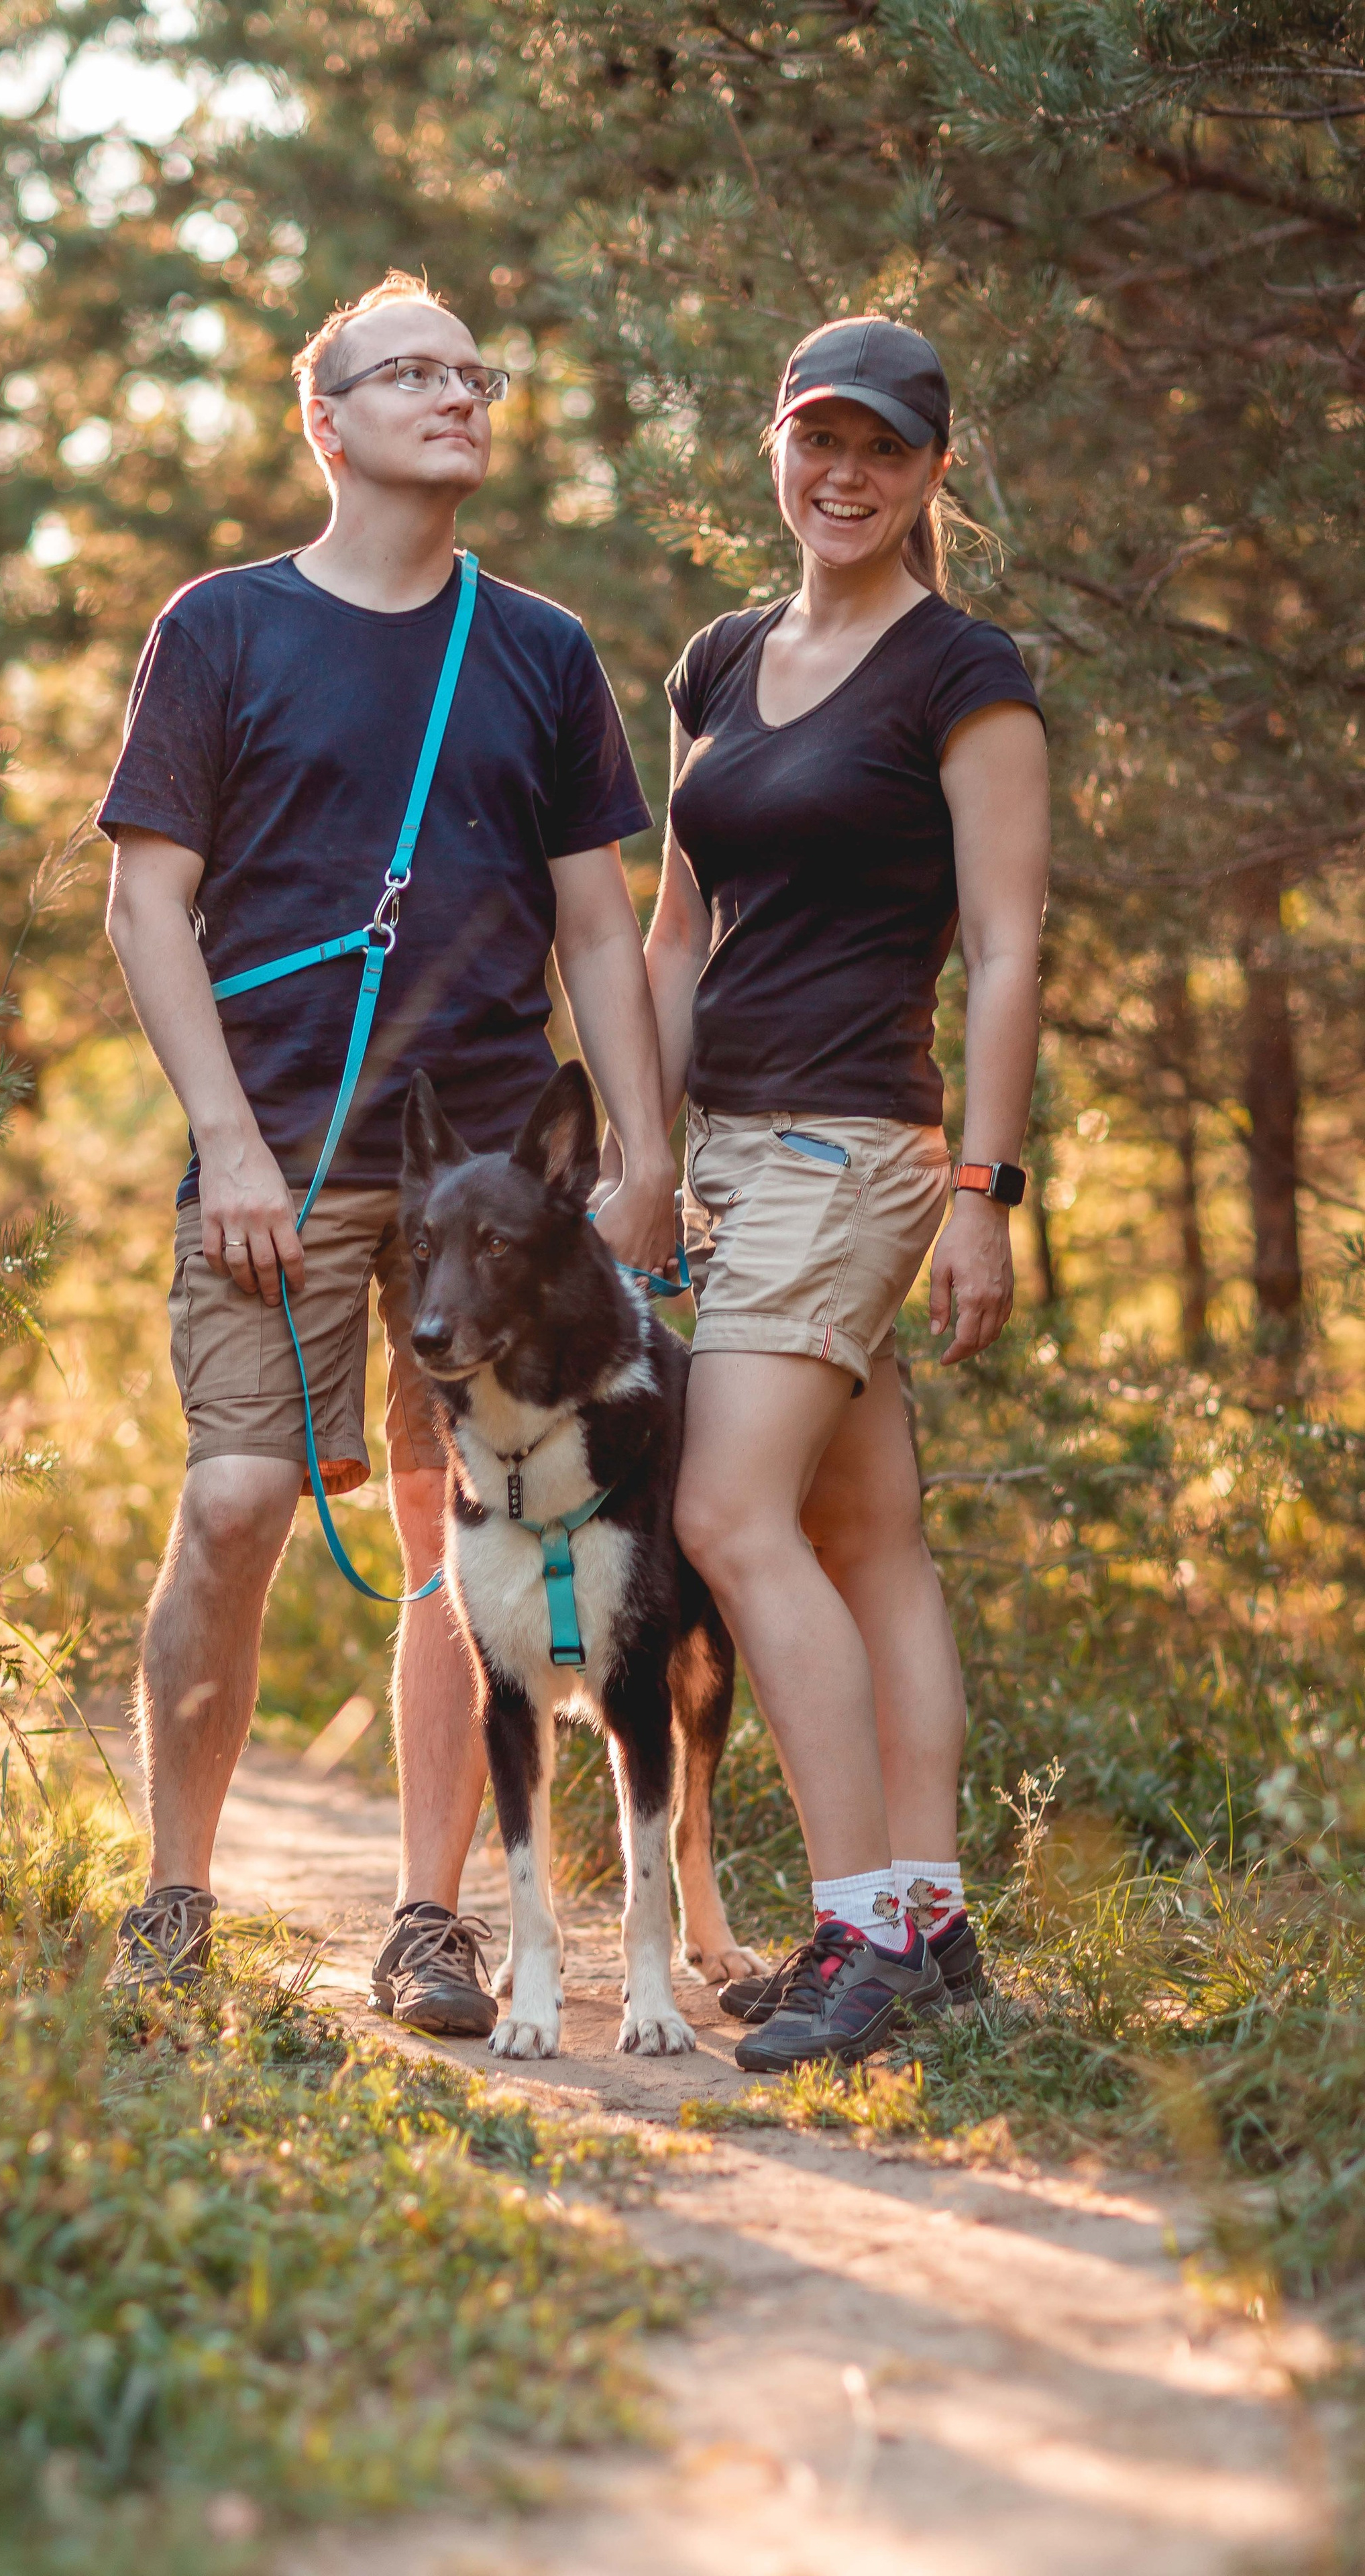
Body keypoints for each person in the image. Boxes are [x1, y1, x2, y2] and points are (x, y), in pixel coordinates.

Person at [99, 272, 676, 2026]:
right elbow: (148, 900)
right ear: (325, 422)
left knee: (466, 1535)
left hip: (487, 1185)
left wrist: (641, 1145)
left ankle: (432, 1917)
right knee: (237, 1499)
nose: (456, 392)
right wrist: (230, 1141)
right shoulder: (221, 629)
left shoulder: (543, 651)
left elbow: (597, 928)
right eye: (409, 371)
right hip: (272, 1150)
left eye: (469, 368)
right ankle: (174, 1895)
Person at [643, 315, 1050, 2068]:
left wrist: (985, 1186)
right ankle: (937, 1917)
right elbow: (674, 932)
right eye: (819, 437)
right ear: (777, 445)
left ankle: (856, 1929)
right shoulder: (723, 660)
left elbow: (1016, 946)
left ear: (932, 470)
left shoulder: (966, 671)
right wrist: (635, 1153)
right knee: (863, 1536)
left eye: (882, 447)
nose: (845, 473)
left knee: (728, 1521)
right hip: (723, 1149)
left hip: (852, 1144)